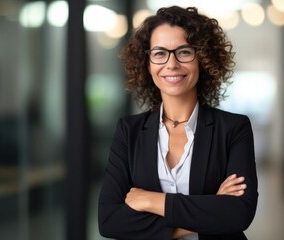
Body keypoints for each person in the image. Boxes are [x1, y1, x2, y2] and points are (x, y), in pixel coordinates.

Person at [98, 5, 258, 240]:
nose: (171, 64)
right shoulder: (129, 131)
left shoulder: (233, 129)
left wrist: (153, 201)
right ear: (148, 63)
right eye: (160, 53)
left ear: (202, 58)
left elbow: (238, 214)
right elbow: (109, 220)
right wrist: (211, 208)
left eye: (183, 52)